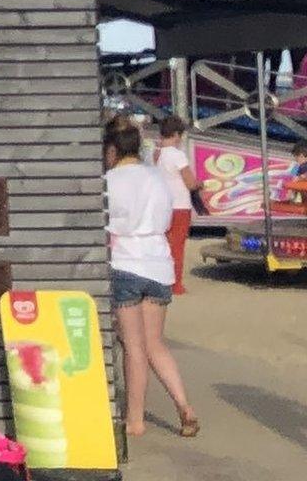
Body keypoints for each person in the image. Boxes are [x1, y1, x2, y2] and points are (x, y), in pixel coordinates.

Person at [104, 120, 197, 439]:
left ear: (112, 150)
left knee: (133, 347)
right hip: (159, 264)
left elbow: (108, 224)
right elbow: (168, 218)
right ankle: (184, 405)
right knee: (155, 344)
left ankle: (135, 421)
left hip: (126, 262)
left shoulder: (109, 181)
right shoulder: (157, 179)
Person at [152, 115, 197, 295]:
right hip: (180, 205)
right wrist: (201, 184)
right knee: (177, 246)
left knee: (162, 245)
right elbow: (190, 183)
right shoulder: (178, 155)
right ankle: (175, 284)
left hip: (162, 205)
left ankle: (160, 281)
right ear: (177, 134)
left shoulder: (156, 154)